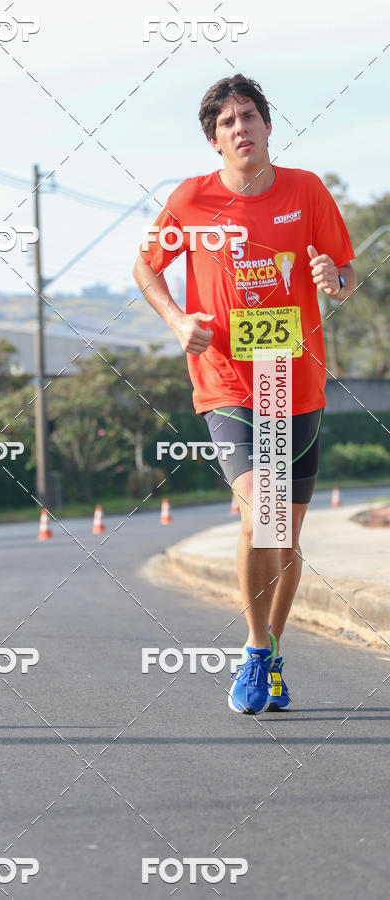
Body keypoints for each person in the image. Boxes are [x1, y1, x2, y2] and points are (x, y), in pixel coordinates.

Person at [132, 74, 356, 714]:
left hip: (296, 380)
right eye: (227, 122)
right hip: (227, 380)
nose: (241, 128)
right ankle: (256, 652)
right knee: (265, 509)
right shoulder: (193, 200)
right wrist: (178, 321)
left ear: (266, 126)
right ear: (214, 140)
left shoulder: (306, 190)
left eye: (249, 116)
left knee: (286, 531)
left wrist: (332, 278)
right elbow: (146, 264)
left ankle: (273, 648)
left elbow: (345, 276)